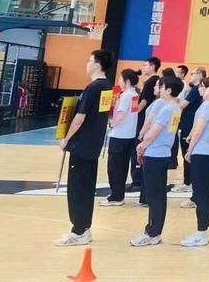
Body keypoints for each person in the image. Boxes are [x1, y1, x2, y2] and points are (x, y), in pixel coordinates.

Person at [54, 49, 114, 247]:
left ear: (97, 64)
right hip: (93, 145)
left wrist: (66, 139)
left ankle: (79, 230)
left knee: (77, 188)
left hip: (82, 145)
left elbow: (80, 118)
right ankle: (84, 229)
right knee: (86, 188)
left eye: (89, 61)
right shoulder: (107, 86)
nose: (87, 64)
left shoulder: (93, 88)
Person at [130, 76, 183, 247]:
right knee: (158, 195)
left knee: (154, 195)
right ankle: (154, 230)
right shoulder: (175, 108)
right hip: (162, 153)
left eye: (162, 87)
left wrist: (141, 146)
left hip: (155, 155)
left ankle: (153, 232)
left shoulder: (167, 109)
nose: (159, 89)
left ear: (169, 90)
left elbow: (153, 132)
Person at [181, 79, 209, 247]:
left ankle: (202, 233)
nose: (200, 89)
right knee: (204, 193)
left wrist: (190, 149)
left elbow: (199, 130)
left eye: (202, 86)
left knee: (201, 193)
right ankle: (202, 230)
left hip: (202, 153)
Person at [102, 68, 139, 206]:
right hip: (129, 135)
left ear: (126, 80)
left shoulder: (126, 96)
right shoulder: (134, 94)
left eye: (120, 78)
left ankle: (116, 197)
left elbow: (121, 115)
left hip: (119, 136)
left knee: (115, 167)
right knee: (122, 167)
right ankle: (118, 194)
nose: (118, 81)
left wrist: (110, 125)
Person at [130, 57, 161, 191]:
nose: (143, 68)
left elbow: (143, 102)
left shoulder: (151, 82)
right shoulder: (152, 81)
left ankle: (137, 180)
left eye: (146, 65)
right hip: (146, 118)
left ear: (153, 67)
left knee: (138, 147)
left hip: (144, 118)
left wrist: (133, 114)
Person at [172, 67, 204, 194]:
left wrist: (173, 98)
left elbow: (182, 105)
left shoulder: (195, 89)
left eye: (193, 73)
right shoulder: (193, 89)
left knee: (187, 153)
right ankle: (188, 180)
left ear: (200, 75)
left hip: (189, 125)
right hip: (188, 124)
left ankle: (188, 182)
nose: (191, 75)